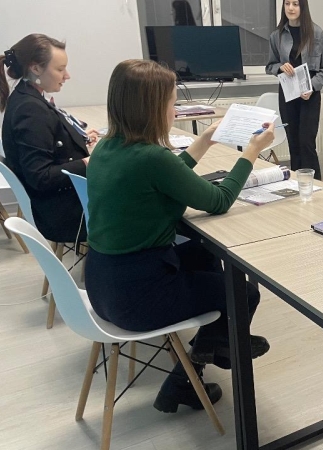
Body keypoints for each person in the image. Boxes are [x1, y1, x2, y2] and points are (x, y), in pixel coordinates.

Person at [84, 60, 275, 412]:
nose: (176, 110)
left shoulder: (106, 149)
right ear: (153, 108)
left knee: (204, 253)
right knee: (243, 292)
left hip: (103, 283)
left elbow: (166, 175)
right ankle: (199, 364)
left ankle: (212, 347)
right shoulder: (152, 158)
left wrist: (204, 140)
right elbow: (219, 200)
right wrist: (251, 152)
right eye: (173, 102)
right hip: (137, 298)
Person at [0, 34, 99, 243]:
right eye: (60, 69)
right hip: (64, 214)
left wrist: (76, 137)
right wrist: (88, 162)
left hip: (57, 204)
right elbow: (41, 177)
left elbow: (47, 140)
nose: (67, 75)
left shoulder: (26, 97)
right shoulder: (30, 110)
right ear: (35, 68)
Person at [266, 0, 323, 180]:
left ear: (302, 7)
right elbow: (270, 66)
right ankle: (296, 184)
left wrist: (312, 86)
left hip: (310, 94)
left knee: (306, 141)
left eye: (295, 4)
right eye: (287, 3)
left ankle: (315, 183)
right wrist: (280, 67)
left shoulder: (316, 33)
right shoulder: (276, 36)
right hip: (287, 94)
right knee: (293, 141)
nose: (291, 8)